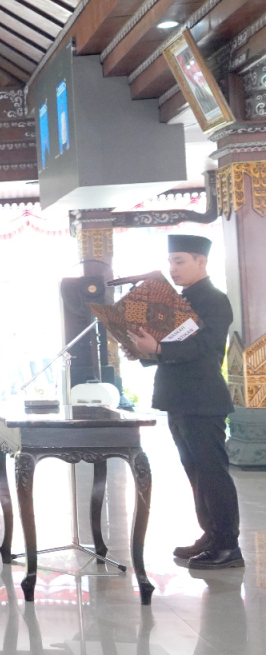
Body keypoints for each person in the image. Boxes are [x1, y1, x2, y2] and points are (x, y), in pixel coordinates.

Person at [129, 234, 242, 570]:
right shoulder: (179, 301)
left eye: (180, 261)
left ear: (201, 262)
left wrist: (160, 349)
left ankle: (228, 546)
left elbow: (205, 349)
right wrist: (143, 348)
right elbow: (164, 350)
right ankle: (211, 534)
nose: (173, 268)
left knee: (212, 473)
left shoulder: (213, 300)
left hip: (203, 399)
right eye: (170, 262)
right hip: (178, 399)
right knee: (195, 473)